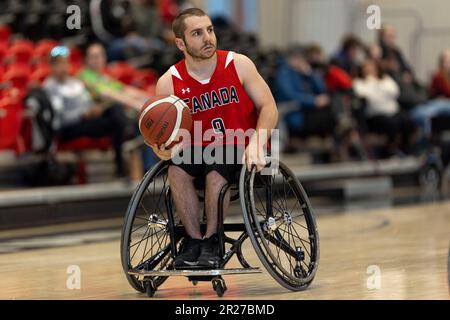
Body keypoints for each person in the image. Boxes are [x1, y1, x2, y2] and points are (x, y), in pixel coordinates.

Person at [151, 8, 278, 269]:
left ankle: (213, 240)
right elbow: (163, 136)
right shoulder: (169, 83)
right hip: (201, 151)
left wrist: (257, 142)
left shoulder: (238, 64)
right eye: (197, 33)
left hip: (246, 149)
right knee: (175, 168)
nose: (208, 37)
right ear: (180, 43)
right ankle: (194, 241)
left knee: (216, 164)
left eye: (209, 30)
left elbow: (269, 108)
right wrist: (162, 149)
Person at [43, 46, 127, 177]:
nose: (63, 67)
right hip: (68, 127)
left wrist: (95, 109)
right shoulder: (50, 87)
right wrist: (82, 114)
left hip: (85, 121)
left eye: (65, 63)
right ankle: (120, 165)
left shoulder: (74, 83)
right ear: (52, 67)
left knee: (114, 111)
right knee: (117, 120)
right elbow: (59, 117)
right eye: (59, 64)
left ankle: (121, 163)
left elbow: (87, 102)